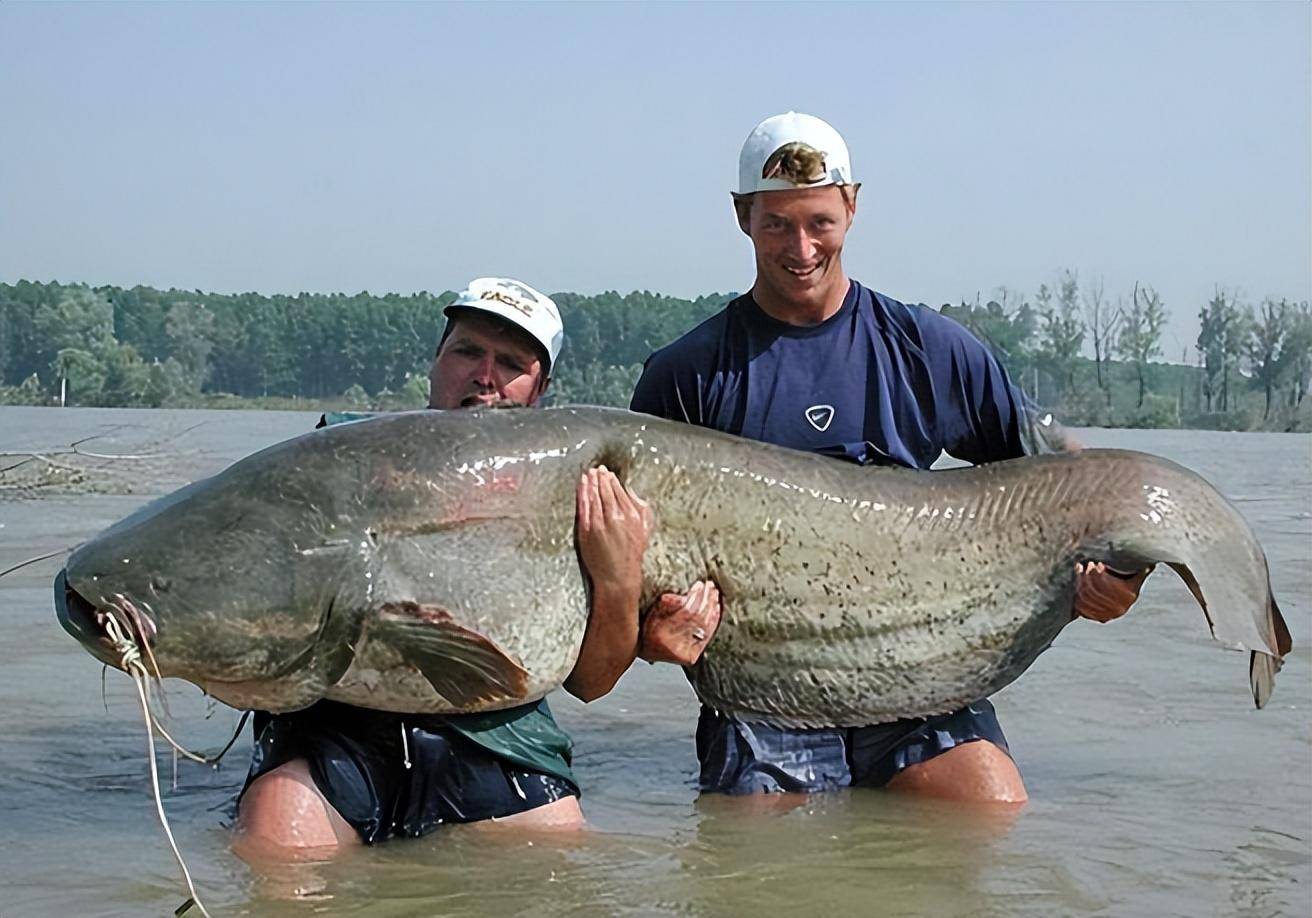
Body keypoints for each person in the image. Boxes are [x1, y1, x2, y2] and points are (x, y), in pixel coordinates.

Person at [626, 112, 1150, 804]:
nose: (801, 246)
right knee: (746, 872)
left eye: (819, 221)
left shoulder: (930, 349)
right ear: (742, 218)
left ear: (852, 205)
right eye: (776, 223)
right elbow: (622, 562)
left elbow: (1073, 483)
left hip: (921, 680)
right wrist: (649, 634)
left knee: (995, 812)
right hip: (762, 693)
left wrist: (1118, 577)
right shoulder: (687, 375)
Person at [235, 277, 719, 855]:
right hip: (341, 734)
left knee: (564, 863)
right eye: (467, 351)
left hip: (502, 738)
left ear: (538, 391)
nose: (484, 376)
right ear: (436, 362)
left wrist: (619, 579)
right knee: (277, 847)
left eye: (511, 363)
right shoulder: (338, 453)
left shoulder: (587, 493)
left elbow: (591, 683)